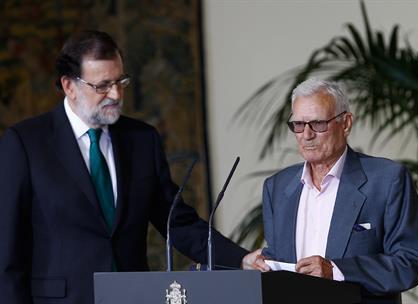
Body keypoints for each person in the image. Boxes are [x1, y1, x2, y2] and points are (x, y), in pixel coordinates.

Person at [0, 30, 248, 304]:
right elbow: (8, 249)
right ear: (69, 86)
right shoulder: (26, 143)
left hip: (133, 297)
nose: (116, 94)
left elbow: (177, 221)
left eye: (121, 81)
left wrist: (241, 259)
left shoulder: (143, 140)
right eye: (103, 85)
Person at [245, 79, 418, 303]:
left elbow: (410, 263)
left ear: (346, 123)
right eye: (299, 125)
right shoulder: (277, 187)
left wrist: (337, 270)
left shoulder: (387, 180)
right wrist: (263, 265)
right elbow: (280, 261)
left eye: (318, 123)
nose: (307, 134)